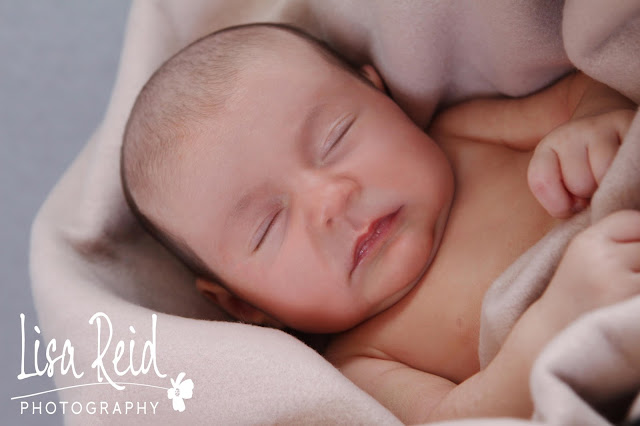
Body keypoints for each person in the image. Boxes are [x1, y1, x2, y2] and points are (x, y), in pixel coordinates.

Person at [120, 23, 639, 423]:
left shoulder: (465, 135)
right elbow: (458, 418)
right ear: (244, 305)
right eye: (268, 226)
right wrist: (555, 321)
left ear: (383, 96)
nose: (331, 198)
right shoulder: (363, 362)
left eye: (335, 137)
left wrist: (590, 126)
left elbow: (587, 89)